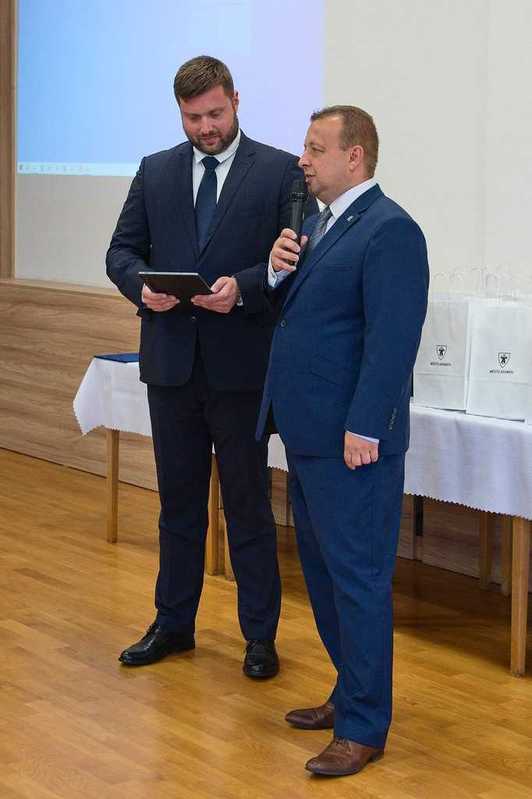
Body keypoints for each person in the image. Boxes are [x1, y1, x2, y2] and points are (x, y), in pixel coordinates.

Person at [106, 55, 315, 678]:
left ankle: (260, 637)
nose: (206, 128)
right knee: (178, 505)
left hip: (240, 370)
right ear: (180, 113)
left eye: (216, 114)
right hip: (171, 366)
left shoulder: (279, 171)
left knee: (248, 507)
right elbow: (121, 251)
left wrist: (243, 287)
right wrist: (140, 286)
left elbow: (295, 260)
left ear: (236, 101)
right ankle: (173, 623)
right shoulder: (155, 170)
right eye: (193, 118)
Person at [256, 106, 429, 775]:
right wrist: (277, 272)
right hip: (309, 433)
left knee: (358, 580)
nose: (302, 159)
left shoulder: (391, 230)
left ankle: (364, 726)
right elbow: (301, 317)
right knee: (325, 576)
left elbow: (392, 340)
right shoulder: (316, 225)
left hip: (351, 442)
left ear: (354, 156)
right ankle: (349, 689)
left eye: (315, 148)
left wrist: (365, 425)